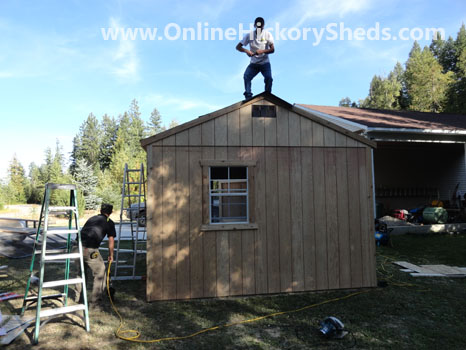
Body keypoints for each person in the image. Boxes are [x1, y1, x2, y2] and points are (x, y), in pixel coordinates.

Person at [75, 203, 115, 306]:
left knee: (81, 272)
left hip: (76, 247)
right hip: (90, 249)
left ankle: (77, 298)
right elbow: (111, 240)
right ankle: (95, 303)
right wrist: (111, 255)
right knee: (100, 272)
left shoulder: (92, 218)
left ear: (100, 210)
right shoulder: (109, 222)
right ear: (110, 212)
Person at [236, 17, 275, 100]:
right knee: (246, 76)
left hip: (265, 63)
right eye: (257, 27)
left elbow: (272, 50)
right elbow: (238, 47)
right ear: (254, 25)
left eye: (260, 28)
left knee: (269, 78)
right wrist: (246, 51)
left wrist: (263, 51)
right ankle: (248, 96)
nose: (259, 30)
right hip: (254, 63)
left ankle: (267, 95)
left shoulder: (267, 34)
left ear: (263, 26)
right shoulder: (249, 35)